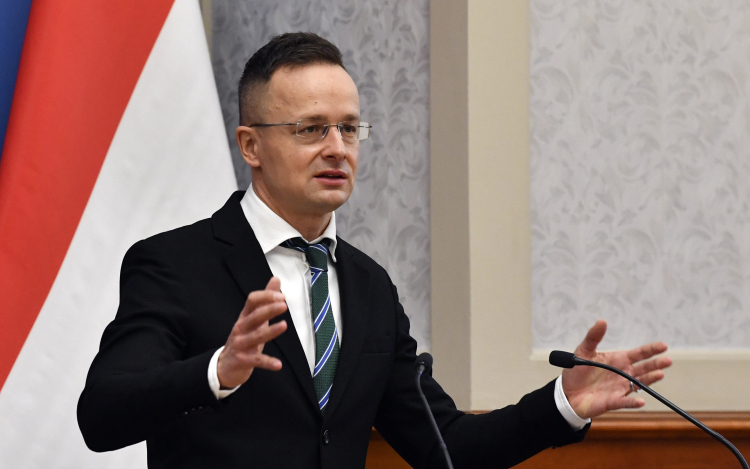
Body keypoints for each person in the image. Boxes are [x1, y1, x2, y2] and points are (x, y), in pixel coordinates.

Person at [77, 32, 671, 469]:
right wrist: (217, 371)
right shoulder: (175, 265)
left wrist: (563, 402)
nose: (338, 148)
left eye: (349, 127)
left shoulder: (369, 287)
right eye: (311, 129)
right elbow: (101, 416)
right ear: (251, 146)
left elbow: (448, 447)